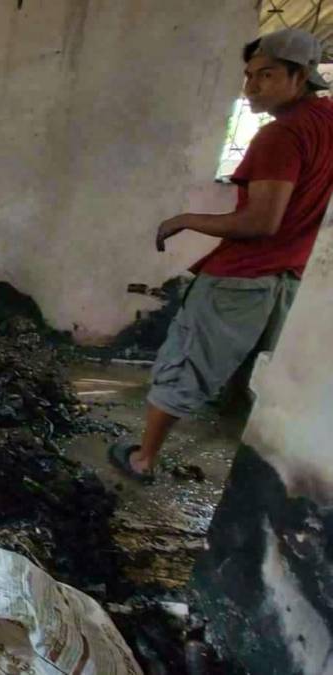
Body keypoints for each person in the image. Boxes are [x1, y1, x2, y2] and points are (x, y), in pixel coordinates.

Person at [108, 28, 333, 483]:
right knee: (261, 375)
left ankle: (143, 459)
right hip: (292, 276)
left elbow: (261, 222)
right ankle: (253, 471)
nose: (252, 88)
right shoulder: (327, 122)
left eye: (266, 76)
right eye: (249, 76)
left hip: (242, 276)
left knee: (186, 362)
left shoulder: (280, 136)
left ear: (301, 75)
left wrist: (187, 220)